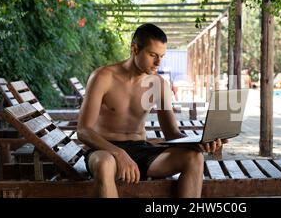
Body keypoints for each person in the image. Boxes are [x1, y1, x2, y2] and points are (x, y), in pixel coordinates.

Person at [77, 23, 227, 198]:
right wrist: (119, 153)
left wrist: (199, 142)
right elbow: (83, 131)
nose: (158, 62)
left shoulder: (159, 85)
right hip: (105, 150)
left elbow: (172, 134)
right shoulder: (103, 77)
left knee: (194, 157)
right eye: (152, 55)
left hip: (142, 150)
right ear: (134, 49)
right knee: (105, 164)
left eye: (161, 56)